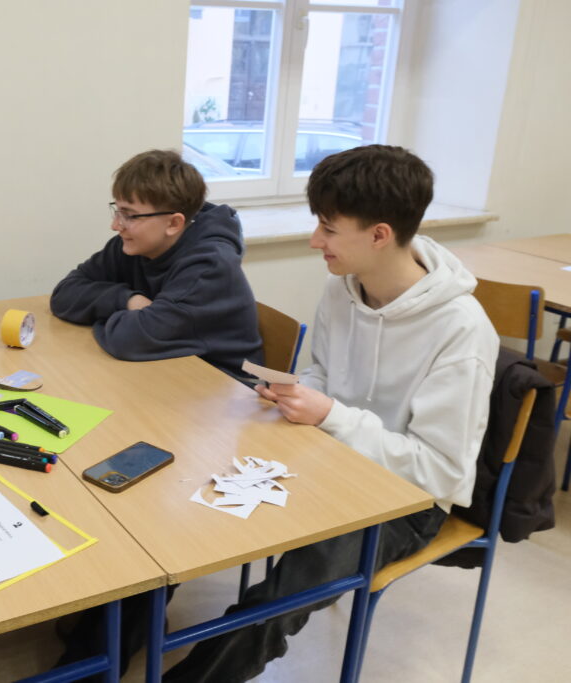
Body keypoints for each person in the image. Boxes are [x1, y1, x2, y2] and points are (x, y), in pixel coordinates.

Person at [163, 145, 500, 682]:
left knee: (283, 595)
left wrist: (331, 416)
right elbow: (322, 371)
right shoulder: (341, 287)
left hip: (406, 500)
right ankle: (120, 631)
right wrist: (298, 393)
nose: (315, 240)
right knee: (189, 485)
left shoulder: (461, 331)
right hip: (329, 455)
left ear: (379, 235)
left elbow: (440, 472)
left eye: (328, 228)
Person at [50, 149, 262, 379]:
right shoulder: (133, 245)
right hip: (166, 371)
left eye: (130, 215)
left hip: (226, 384)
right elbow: (64, 294)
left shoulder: (209, 267)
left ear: (173, 223)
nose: (116, 225)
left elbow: (128, 340)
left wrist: (101, 313)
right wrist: (128, 300)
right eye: (117, 211)